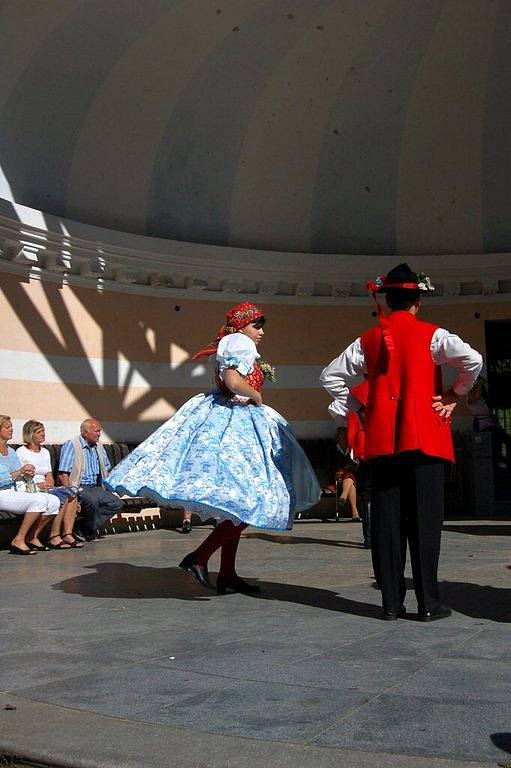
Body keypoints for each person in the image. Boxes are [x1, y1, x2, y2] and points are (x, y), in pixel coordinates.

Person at [105, 301, 321, 594]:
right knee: (251, 501)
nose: (261, 332)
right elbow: (232, 380)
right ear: (242, 325)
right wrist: (256, 395)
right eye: (257, 325)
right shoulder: (238, 343)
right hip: (238, 422)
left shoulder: (230, 342)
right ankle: (199, 557)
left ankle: (227, 573)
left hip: (229, 420)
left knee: (237, 505)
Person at [321, 264, 482, 621]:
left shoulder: (367, 338)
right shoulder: (434, 335)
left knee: (387, 523)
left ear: (388, 301)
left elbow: (329, 377)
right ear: (417, 302)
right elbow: (473, 360)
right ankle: (429, 603)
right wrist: (454, 394)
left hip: (383, 444)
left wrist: (361, 408)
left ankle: (391, 604)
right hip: (426, 440)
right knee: (425, 523)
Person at [16, 420, 82, 549]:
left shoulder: (45, 452)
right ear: (30, 434)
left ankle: (67, 533)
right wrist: (38, 485)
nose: (43, 434)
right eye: (39, 432)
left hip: (45, 487)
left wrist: (49, 485)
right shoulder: (21, 452)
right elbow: (20, 476)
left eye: (43, 431)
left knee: (71, 493)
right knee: (59, 497)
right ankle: (54, 536)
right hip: (30, 487)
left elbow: (49, 474)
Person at [0, 415, 60, 554]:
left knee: (53, 501)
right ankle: (18, 540)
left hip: (14, 491)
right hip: (2, 493)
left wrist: (27, 472)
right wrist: (19, 471)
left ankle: (31, 536)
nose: (11, 430)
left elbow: (19, 476)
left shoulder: (12, 452)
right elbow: (13, 474)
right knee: (39, 500)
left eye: (11, 427)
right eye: (7, 427)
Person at [58, 418, 123, 541]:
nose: (99, 434)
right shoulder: (72, 445)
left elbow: (106, 468)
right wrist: (70, 493)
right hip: (78, 486)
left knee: (116, 503)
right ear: (85, 433)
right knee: (92, 501)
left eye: (99, 431)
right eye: (96, 431)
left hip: (95, 486)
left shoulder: (99, 446)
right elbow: (63, 473)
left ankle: (84, 527)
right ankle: (86, 530)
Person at [467, 376, 511, 469]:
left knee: (504, 439)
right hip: (483, 427)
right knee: (493, 443)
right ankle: (497, 463)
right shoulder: (470, 400)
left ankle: (502, 461)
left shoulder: (482, 400)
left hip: (491, 425)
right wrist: (479, 383)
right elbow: (476, 394)